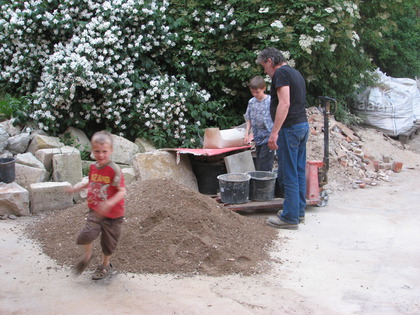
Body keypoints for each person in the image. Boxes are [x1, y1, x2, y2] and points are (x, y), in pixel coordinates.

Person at [257, 47, 309, 230]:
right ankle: (298, 211)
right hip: (302, 125)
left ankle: (289, 217)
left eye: (264, 66)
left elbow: (285, 103)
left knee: (289, 173)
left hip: (290, 129)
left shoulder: (281, 74)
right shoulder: (295, 73)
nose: (265, 71)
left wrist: (274, 132)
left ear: (270, 61)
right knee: (299, 170)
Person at [67, 131, 126, 279]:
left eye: (104, 151)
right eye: (97, 151)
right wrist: (76, 188)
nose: (101, 155)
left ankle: (105, 265)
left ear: (111, 151)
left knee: (108, 243)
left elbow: (122, 191)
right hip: (95, 211)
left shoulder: (114, 170)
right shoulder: (93, 167)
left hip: (113, 215)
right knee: (86, 235)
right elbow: (91, 182)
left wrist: (109, 203)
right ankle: (87, 256)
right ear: (92, 151)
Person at [244, 76, 274, 171]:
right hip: (257, 137)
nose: (255, 94)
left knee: (264, 164)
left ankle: (265, 183)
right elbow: (249, 119)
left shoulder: (270, 101)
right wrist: (247, 133)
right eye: (252, 92)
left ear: (264, 88)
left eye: (257, 92)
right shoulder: (251, 102)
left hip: (268, 137)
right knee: (259, 162)